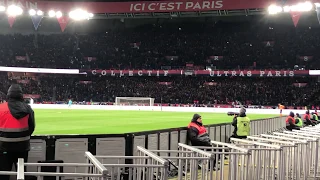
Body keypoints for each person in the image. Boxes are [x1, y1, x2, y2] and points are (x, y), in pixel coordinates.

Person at [0, 84, 35, 180]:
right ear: (21, 95)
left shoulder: (1, 108)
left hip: (3, 147)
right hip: (22, 147)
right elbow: (31, 128)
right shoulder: (28, 109)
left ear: (8, 95)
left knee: (3, 172)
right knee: (21, 173)